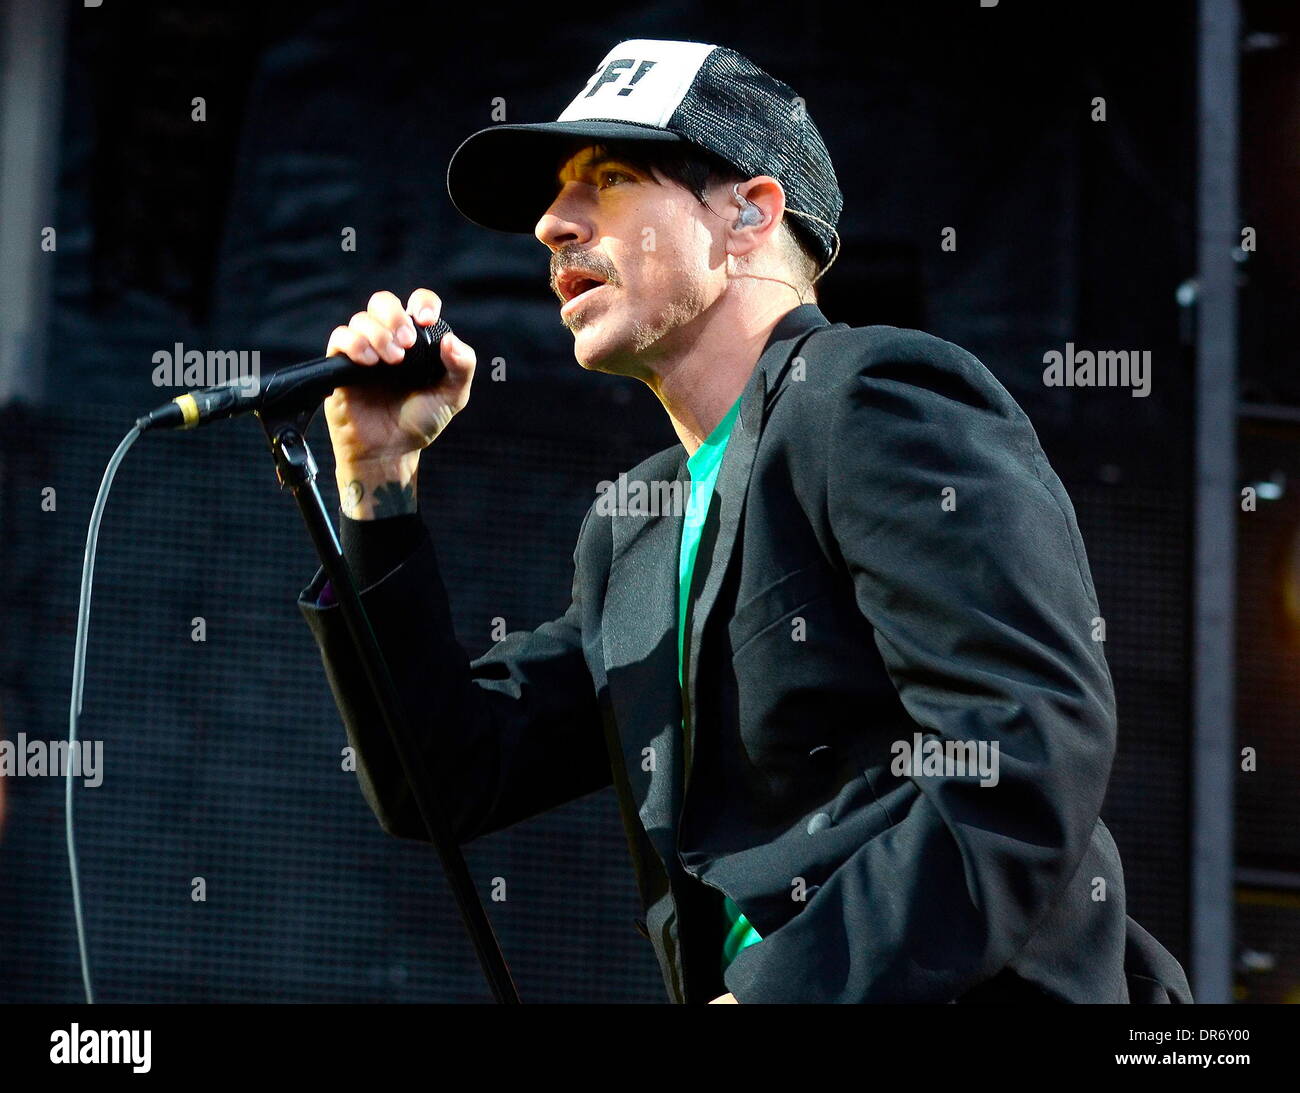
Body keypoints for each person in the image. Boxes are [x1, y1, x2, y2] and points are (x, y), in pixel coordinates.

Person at [298, 38, 1192, 1004]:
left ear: (749, 215)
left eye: (609, 177)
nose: (553, 223)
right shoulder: (635, 529)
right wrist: (379, 482)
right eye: (558, 196)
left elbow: (1023, 747)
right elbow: (446, 777)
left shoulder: (870, 398)